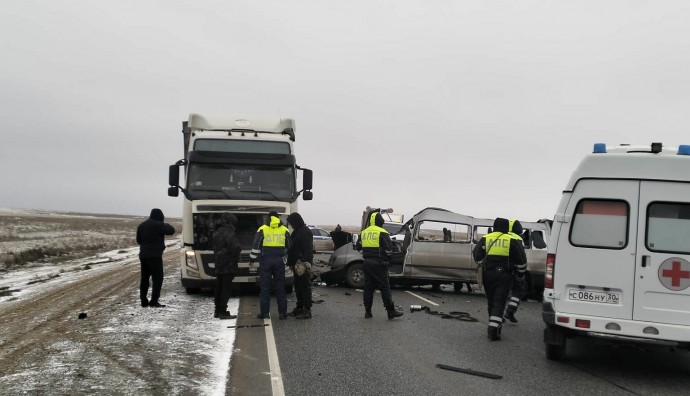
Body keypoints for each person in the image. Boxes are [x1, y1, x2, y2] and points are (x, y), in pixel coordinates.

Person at [472, 217, 526, 341]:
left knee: (491, 300)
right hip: (505, 275)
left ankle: (494, 323)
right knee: (499, 301)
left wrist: (483, 263)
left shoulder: (487, 238)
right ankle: (493, 330)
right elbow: (521, 261)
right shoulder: (512, 240)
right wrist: (520, 274)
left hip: (488, 274)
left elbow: (476, 255)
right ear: (507, 228)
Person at [356, 211, 404, 320]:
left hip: (367, 263)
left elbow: (358, 247)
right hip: (379, 263)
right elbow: (389, 250)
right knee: (385, 288)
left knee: (368, 288)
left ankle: (368, 312)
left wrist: (368, 251)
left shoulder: (364, 232)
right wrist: (388, 259)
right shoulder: (382, 232)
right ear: (380, 221)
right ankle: (390, 311)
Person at [250, 211, 291, 320]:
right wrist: (286, 257)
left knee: (265, 288)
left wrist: (252, 259)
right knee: (280, 287)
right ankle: (282, 314)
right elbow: (289, 246)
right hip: (279, 262)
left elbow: (256, 246)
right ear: (278, 218)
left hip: (266, 262)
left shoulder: (262, 229)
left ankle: (264, 313)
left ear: (268, 218)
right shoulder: (285, 230)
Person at [136, 208, 176, 308]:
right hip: (155, 257)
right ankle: (154, 301)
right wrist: (165, 224)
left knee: (144, 279)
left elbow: (138, 240)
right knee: (157, 279)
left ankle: (143, 301)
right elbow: (171, 231)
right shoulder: (159, 225)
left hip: (143, 256)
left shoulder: (142, 225)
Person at [213, 213, 242, 320]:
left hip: (219, 264)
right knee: (226, 289)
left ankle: (217, 310)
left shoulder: (218, 232)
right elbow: (236, 247)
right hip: (228, 265)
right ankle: (223, 312)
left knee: (219, 288)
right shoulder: (229, 232)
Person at [286, 212, 314, 319]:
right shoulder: (297, 231)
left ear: (296, 221)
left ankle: (307, 310)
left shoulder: (304, 232)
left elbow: (308, 249)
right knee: (298, 287)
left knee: (305, 287)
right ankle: (300, 307)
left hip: (302, 264)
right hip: (296, 264)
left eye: (292, 223)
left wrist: (305, 262)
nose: (291, 225)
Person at [504, 219, 528, 323]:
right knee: (518, 292)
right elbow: (521, 258)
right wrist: (521, 273)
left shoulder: (502, 237)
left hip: (499, 271)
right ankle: (510, 312)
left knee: (500, 294)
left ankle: (498, 315)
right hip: (513, 271)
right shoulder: (517, 239)